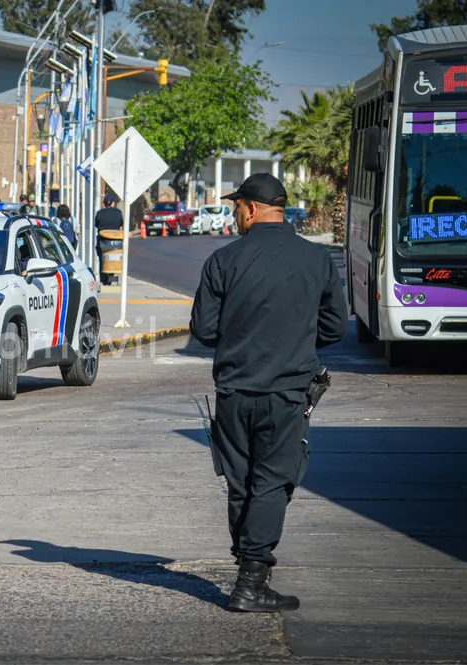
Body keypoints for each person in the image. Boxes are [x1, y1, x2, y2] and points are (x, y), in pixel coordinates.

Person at [189, 173, 347, 613]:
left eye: (236, 206)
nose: (234, 214)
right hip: (287, 392)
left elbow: (203, 330)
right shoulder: (316, 260)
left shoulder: (223, 260)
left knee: (241, 484)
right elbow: (336, 328)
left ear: (252, 208)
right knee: (272, 483)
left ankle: (249, 573)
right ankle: (251, 582)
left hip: (235, 391)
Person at [94, 195, 123, 284]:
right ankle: (113, 277)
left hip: (103, 240)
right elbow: (121, 224)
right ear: (113, 203)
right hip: (115, 241)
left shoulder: (100, 213)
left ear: (104, 203)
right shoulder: (118, 212)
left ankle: (104, 280)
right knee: (115, 259)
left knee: (102, 259)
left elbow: (96, 224)